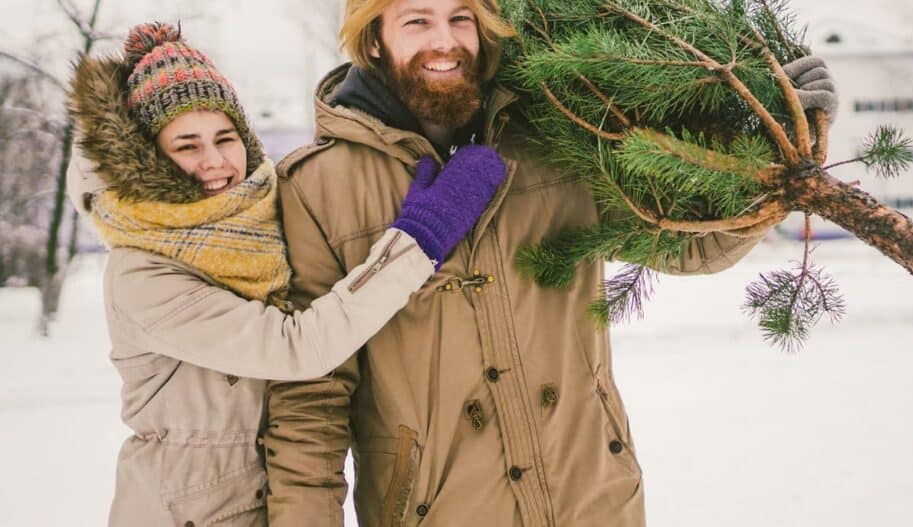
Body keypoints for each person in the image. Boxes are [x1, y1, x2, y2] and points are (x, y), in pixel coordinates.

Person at [263, 1, 840, 525]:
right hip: (437, 513)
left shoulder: (557, 137)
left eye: (461, 17)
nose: (445, 40)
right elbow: (310, 396)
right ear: (374, 40)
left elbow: (690, 240)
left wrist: (781, 143)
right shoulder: (317, 187)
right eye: (417, 21)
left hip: (592, 501)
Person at [65, 21, 504, 526]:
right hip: (188, 512)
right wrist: (421, 236)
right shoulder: (143, 275)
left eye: (224, 138)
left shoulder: (257, 221)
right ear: (147, 160)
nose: (215, 162)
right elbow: (296, 347)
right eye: (187, 146)